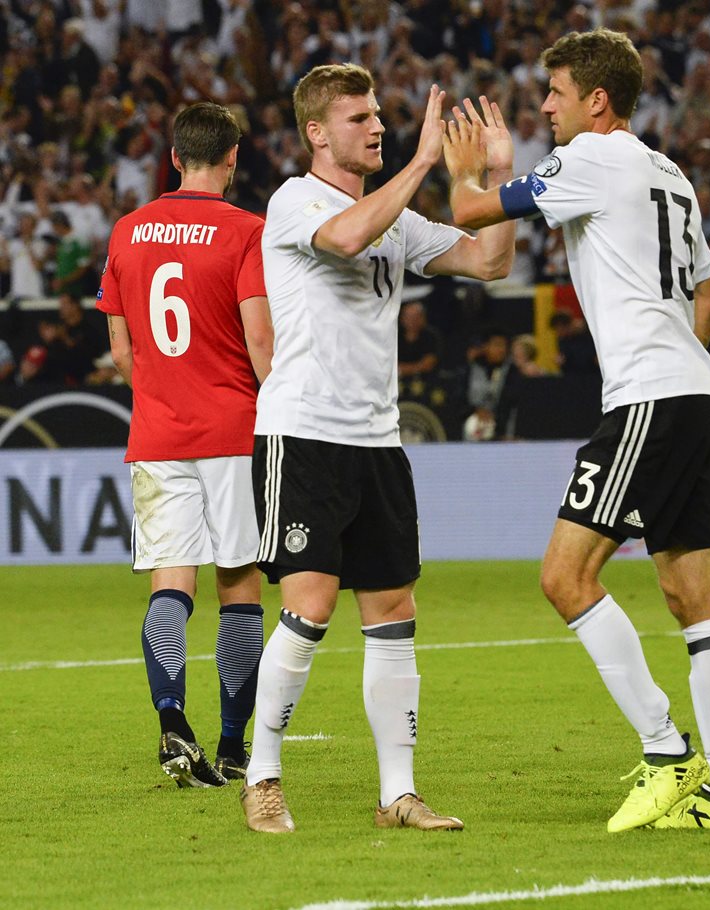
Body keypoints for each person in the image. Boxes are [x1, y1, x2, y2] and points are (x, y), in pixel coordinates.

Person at [444, 28, 710, 832]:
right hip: (697, 391)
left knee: (564, 577)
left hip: (649, 397)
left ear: (597, 99)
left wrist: (472, 163)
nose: (545, 105)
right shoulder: (670, 172)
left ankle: (665, 752)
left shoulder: (592, 160)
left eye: (555, 92)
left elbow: (473, 213)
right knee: (693, 592)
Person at [243, 64, 515, 834]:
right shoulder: (295, 200)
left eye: (378, 116)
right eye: (359, 118)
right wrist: (425, 163)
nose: (377, 127)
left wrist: (498, 177)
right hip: (303, 432)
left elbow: (490, 263)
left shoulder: (393, 218)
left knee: (394, 608)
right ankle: (262, 775)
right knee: (311, 604)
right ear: (317, 133)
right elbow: (345, 236)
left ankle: (398, 792)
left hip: (377, 438)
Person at [95, 102, 273, 789]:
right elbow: (260, 341)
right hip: (232, 431)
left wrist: (166, 393)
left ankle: (174, 725)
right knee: (239, 585)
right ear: (232, 157)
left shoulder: (128, 230)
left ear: (173, 157)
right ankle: (232, 746)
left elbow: (120, 350)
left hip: (158, 433)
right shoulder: (244, 231)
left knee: (172, 582)